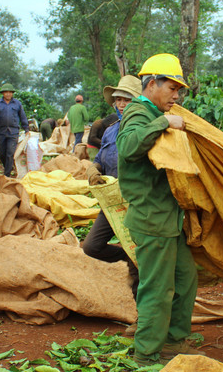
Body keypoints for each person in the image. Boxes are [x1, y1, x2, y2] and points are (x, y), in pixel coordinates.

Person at [116, 54, 203, 366]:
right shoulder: (139, 113)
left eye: (180, 90)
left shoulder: (153, 111)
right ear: (151, 84)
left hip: (168, 218)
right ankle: (147, 353)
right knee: (158, 288)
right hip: (152, 218)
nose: (177, 95)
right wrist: (163, 122)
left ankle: (174, 340)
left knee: (185, 278)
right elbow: (127, 147)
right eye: (172, 88)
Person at [83, 75, 142, 292]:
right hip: (112, 202)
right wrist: (93, 169)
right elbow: (99, 159)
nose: (121, 104)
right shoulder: (110, 130)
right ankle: (126, 256)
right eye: (118, 100)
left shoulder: (142, 129)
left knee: (138, 258)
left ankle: (141, 320)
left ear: (137, 101)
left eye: (127, 99)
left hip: (136, 203)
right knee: (91, 247)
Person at [0, 83, 30, 178]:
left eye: (10, 92)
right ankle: (8, 167)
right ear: (3, 93)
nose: (8, 94)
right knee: (1, 154)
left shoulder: (17, 104)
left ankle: (7, 175)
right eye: (6, 92)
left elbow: (23, 117)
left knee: (10, 153)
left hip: (13, 132)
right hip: (1, 132)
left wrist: (26, 129)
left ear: (12, 93)